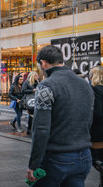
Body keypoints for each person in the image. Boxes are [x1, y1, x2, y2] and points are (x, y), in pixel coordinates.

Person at [26, 45, 94, 186]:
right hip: (84, 155)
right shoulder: (85, 84)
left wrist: (33, 164)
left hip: (57, 157)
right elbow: (89, 119)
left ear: (43, 63)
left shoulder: (46, 86)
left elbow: (41, 129)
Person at [88, 66, 103, 187]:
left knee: (95, 159)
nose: (89, 77)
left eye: (91, 75)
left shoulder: (96, 90)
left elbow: (96, 113)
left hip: (99, 133)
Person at [22, 71, 39, 135]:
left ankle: (33, 128)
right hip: (29, 101)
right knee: (31, 115)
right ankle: (29, 129)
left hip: (36, 100)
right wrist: (32, 90)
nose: (37, 77)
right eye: (36, 76)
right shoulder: (27, 82)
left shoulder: (38, 82)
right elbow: (23, 90)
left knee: (34, 115)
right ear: (33, 76)